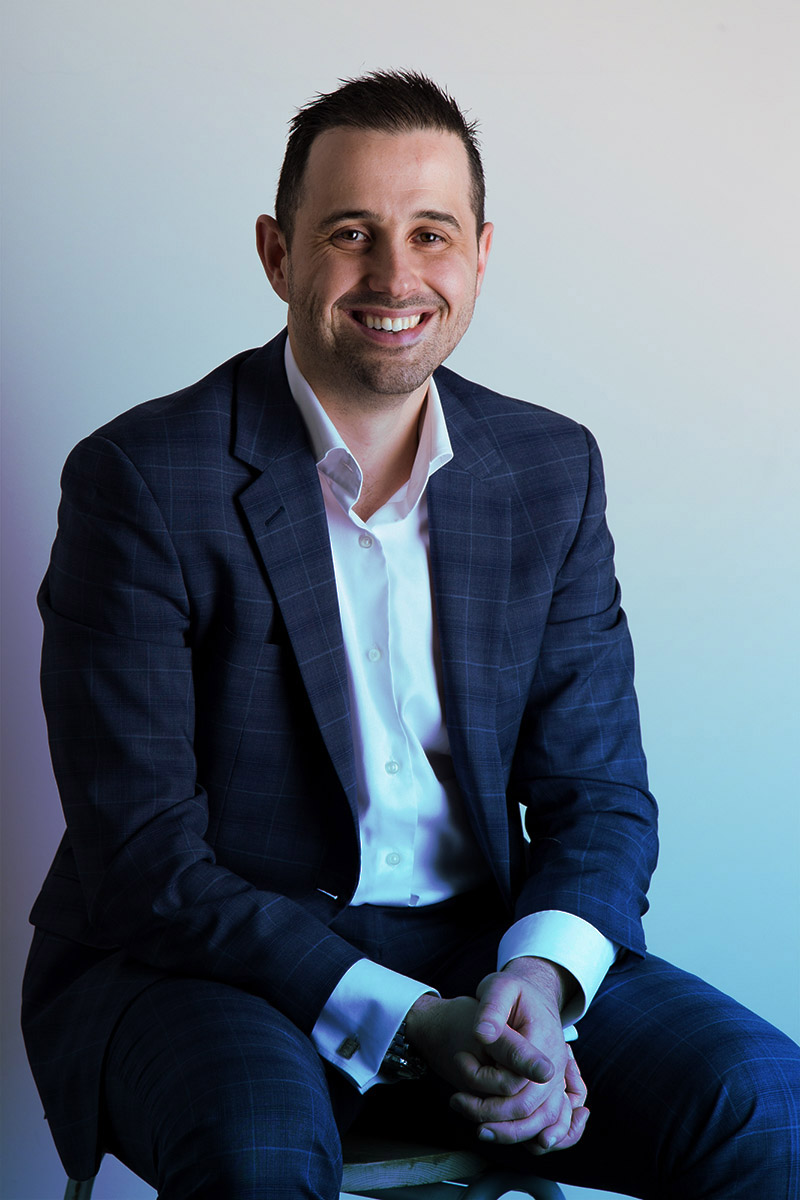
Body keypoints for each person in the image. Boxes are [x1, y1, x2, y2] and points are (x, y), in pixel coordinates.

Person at [22, 70, 798, 1200]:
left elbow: (599, 794)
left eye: (429, 234)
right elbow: (144, 858)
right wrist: (412, 1022)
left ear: (479, 255)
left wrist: (539, 975)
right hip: (201, 963)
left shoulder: (548, 469)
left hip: (480, 946)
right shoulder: (140, 479)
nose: (395, 276)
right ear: (276, 253)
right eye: (350, 233)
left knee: (764, 1103)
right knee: (260, 1150)